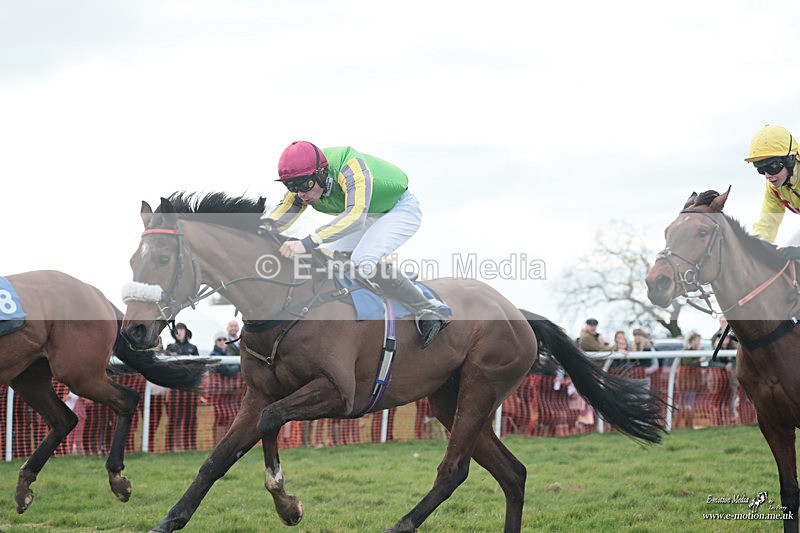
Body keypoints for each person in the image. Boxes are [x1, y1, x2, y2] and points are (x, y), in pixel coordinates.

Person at [259, 141, 448, 347]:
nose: (301, 193)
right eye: (292, 187)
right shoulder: (305, 184)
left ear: (321, 173)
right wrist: (260, 228)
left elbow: (356, 216)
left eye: (305, 185)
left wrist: (307, 242)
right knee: (330, 258)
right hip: (366, 213)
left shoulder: (350, 168)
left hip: (398, 209)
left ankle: (429, 309)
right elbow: (282, 214)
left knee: (363, 261)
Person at [745, 125, 800, 244]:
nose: (767, 176)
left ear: (790, 158)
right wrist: (755, 248)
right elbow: (767, 223)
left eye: (772, 167)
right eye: (761, 169)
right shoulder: (773, 188)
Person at [165, 323, 199, 451]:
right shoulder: (170, 347)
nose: (179, 332)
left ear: (186, 331)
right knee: (174, 418)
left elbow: (197, 368)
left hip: (190, 389)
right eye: (177, 330)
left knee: (190, 417)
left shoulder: (193, 348)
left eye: (181, 329)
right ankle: (171, 446)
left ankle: (190, 445)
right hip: (175, 388)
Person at [208, 328, 243, 444]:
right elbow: (227, 370)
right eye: (219, 340)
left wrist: (236, 368)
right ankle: (218, 443)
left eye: (224, 339)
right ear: (215, 342)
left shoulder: (230, 354)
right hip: (219, 395)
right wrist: (236, 368)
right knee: (220, 419)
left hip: (232, 393)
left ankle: (229, 443)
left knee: (231, 418)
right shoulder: (213, 355)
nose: (222, 342)